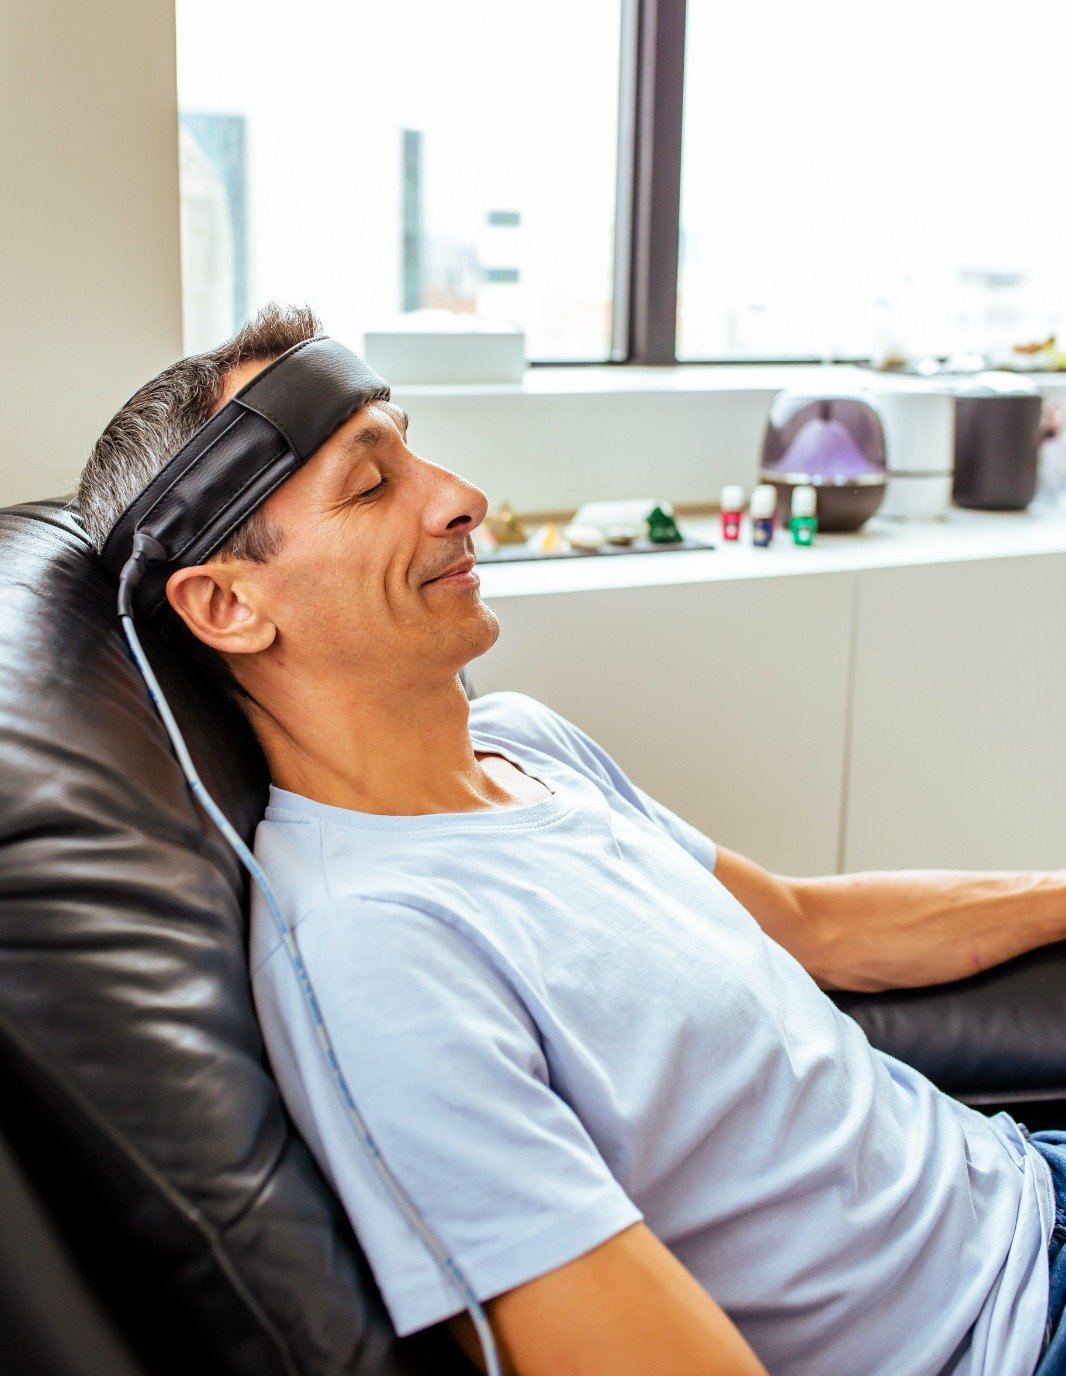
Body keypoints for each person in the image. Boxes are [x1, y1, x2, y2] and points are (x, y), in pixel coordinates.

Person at [77, 305, 1066, 1376]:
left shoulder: (524, 743)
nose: (459, 497)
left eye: (410, 446)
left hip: (1025, 1185)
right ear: (226, 603)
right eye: (371, 483)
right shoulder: (379, 953)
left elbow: (804, 923)